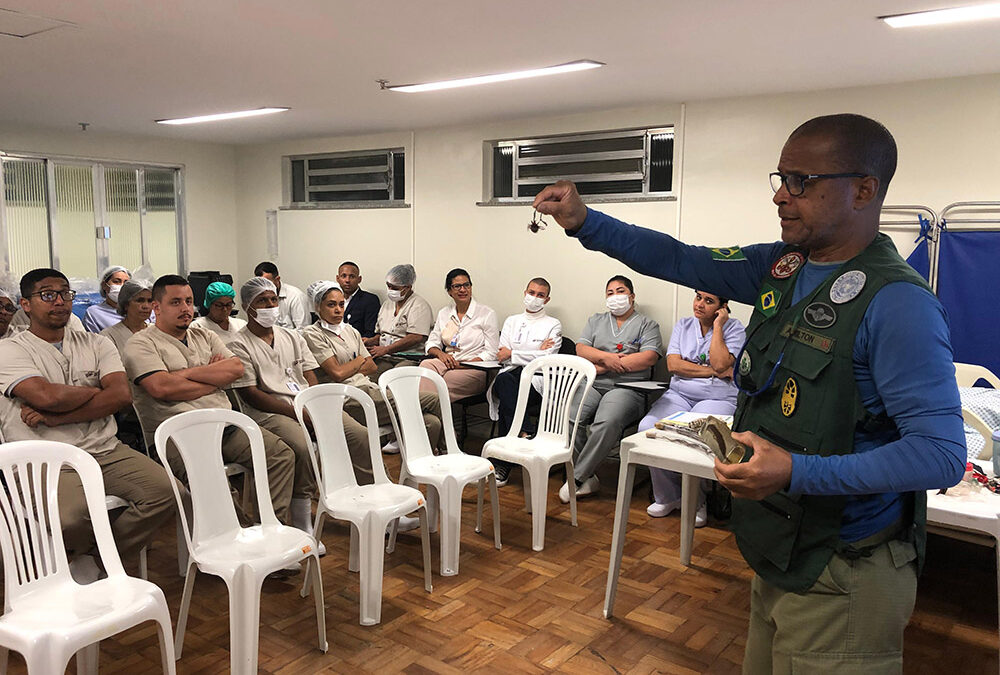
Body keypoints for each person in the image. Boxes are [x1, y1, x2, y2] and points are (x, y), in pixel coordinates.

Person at [533, 114, 966, 672]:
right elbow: (680, 258)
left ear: (864, 189)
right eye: (780, 179)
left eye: (802, 182)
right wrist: (584, 221)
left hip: (844, 567)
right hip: (778, 550)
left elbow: (941, 454)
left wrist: (796, 472)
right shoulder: (781, 267)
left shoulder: (898, 303)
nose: (782, 196)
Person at [0, 268, 174, 582]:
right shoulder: (9, 349)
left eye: (66, 294)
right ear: (25, 304)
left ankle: (99, 558)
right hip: (46, 457)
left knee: (165, 492)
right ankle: (72, 559)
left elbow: (120, 396)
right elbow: (45, 395)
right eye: (47, 295)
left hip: (104, 449)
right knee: (70, 519)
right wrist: (96, 393)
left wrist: (57, 415)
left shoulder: (96, 344)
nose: (60, 302)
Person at [123, 274, 296, 524]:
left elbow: (236, 369)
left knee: (280, 455)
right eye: (176, 302)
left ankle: (270, 526)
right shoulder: (141, 344)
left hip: (225, 426)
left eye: (189, 301)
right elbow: (161, 388)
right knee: (212, 479)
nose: (185, 309)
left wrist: (181, 376)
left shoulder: (204, 335)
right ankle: (240, 538)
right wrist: (212, 378)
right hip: (179, 434)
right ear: (156, 307)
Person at [303, 281, 446, 460]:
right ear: (318, 307)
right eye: (331, 305)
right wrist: (359, 360)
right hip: (347, 399)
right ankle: (450, 453)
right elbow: (337, 374)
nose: (338, 310)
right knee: (433, 399)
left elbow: (371, 366)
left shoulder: (350, 331)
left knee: (430, 422)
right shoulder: (312, 334)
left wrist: (353, 366)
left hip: (369, 390)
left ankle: (420, 465)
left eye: (341, 304)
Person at [639, 290, 746, 525]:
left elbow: (720, 361)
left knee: (695, 433)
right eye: (698, 298)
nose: (700, 304)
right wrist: (713, 371)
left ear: (722, 307)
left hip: (718, 398)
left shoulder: (734, 329)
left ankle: (696, 500)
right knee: (646, 426)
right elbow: (673, 365)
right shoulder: (684, 325)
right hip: (679, 395)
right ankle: (668, 496)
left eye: (709, 301)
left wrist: (719, 326)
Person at [228, 277, 320, 537]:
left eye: (273, 299)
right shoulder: (237, 343)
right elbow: (250, 393)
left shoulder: (290, 336)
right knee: (301, 446)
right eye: (262, 301)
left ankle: (356, 498)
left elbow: (308, 372)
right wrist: (297, 413)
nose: (270, 305)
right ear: (248, 306)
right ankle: (301, 523)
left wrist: (312, 403)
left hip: (302, 404)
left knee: (353, 432)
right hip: (267, 413)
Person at [560, 275, 662, 502]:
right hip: (594, 383)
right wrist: (608, 359)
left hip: (628, 387)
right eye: (610, 293)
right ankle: (588, 477)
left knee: (605, 422)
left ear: (632, 296)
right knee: (568, 417)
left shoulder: (647, 324)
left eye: (620, 291)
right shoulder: (596, 320)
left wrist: (604, 365)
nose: (615, 296)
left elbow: (648, 358)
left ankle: (577, 477)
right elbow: (581, 349)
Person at [489, 277, 563, 486]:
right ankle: (525, 431)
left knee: (507, 397)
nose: (534, 298)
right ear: (524, 293)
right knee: (505, 382)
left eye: (540, 295)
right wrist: (531, 352)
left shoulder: (553, 324)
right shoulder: (511, 321)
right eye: (531, 292)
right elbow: (501, 355)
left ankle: (502, 462)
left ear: (546, 300)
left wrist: (515, 353)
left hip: (536, 382)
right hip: (511, 374)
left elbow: (547, 358)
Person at [422, 268, 499, 402]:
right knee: (425, 366)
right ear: (449, 291)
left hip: (474, 368)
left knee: (439, 382)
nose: (463, 290)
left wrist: (463, 364)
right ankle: (431, 417)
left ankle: (429, 419)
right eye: (457, 286)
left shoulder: (486, 314)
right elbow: (432, 343)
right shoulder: (444, 313)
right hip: (448, 363)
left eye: (466, 285)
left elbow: (491, 353)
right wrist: (441, 354)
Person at [364, 264, 434, 377]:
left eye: (395, 288)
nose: (390, 290)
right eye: (388, 286)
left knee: (394, 379)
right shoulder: (387, 304)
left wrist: (386, 349)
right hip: (385, 357)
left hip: (408, 357)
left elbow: (416, 337)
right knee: (368, 376)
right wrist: (371, 341)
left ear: (408, 287)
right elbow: (381, 334)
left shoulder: (419, 306)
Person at [100, 279, 154, 356]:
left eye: (150, 301)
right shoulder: (109, 336)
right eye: (140, 300)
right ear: (126, 305)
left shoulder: (158, 332)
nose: (146, 306)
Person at [254, 261, 309, 330]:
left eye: (267, 283)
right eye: (260, 283)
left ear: (277, 279)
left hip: (291, 339)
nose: (263, 287)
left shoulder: (296, 296)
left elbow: (303, 330)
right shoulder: (259, 298)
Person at [337, 261, 380, 338]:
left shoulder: (370, 300)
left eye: (352, 276)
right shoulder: (332, 299)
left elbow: (370, 332)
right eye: (343, 276)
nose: (347, 280)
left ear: (359, 279)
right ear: (337, 278)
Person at [83, 265, 132, 333]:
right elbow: (93, 341)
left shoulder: (138, 308)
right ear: (104, 285)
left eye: (126, 283)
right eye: (116, 281)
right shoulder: (95, 313)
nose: (122, 286)